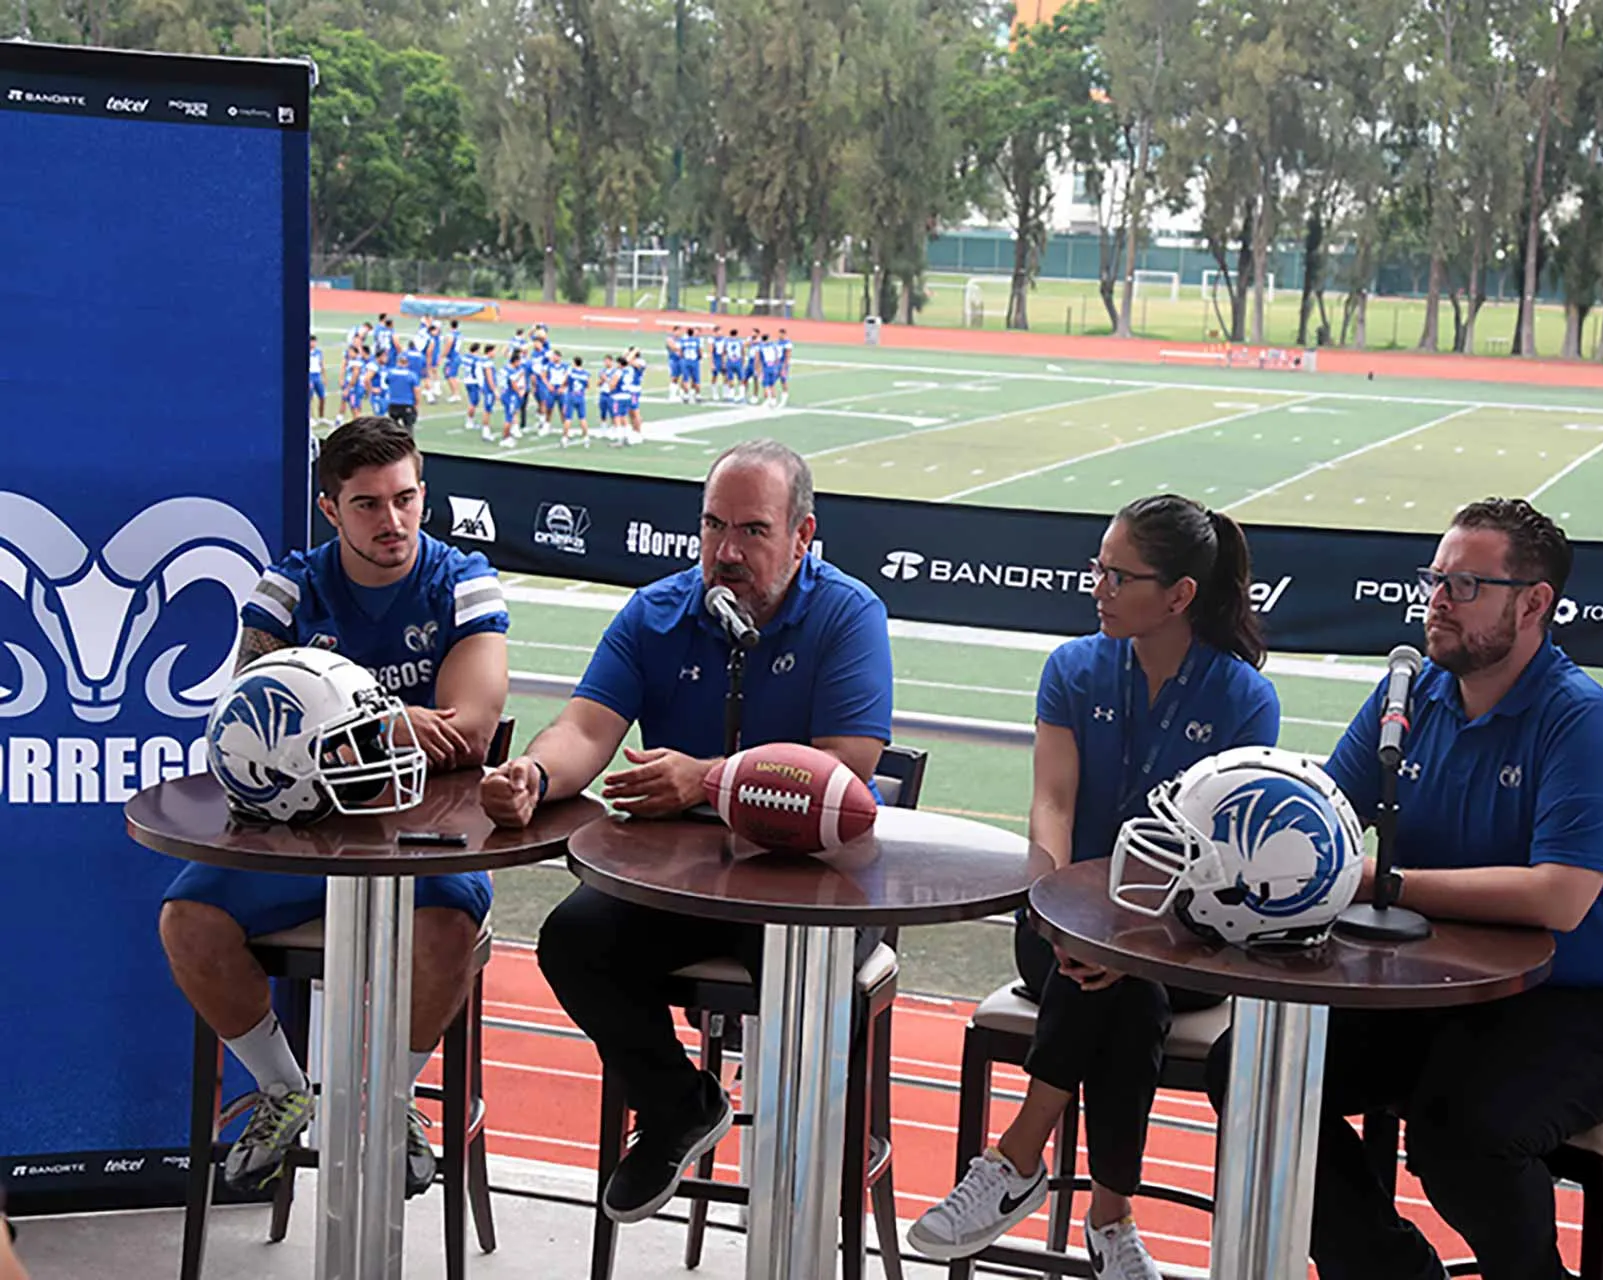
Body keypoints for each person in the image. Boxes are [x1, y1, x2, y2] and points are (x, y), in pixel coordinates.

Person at [1204, 498, 1603, 1280]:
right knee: (1252, 1073)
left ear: (1534, 604)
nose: (1437, 599)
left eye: (1465, 584)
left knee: (1461, 1134)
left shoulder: (1578, 717)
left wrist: (1389, 881)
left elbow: (1561, 897)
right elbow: (1325, 819)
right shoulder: (1407, 696)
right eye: (1435, 579)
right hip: (1441, 993)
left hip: (1582, 1006)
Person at [482, 439, 892, 1225]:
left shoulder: (847, 613)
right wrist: (533, 775)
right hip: (683, 879)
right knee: (573, 941)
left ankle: (806, 1172)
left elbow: (849, 761)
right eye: (712, 528)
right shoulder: (657, 611)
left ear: (804, 536)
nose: (726, 552)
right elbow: (585, 728)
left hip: (812, 885)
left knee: (804, 977)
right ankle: (677, 1104)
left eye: (753, 531)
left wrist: (708, 778)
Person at [908, 494, 1280, 1279]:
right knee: (1116, 990)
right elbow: (1053, 803)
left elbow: (1214, 851)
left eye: (1119, 574)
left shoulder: (1244, 699)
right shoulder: (1073, 668)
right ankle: (1110, 1221)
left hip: (1182, 942)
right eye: (1097, 568)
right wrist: (1055, 907)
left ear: (1179, 595)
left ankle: (1015, 1158)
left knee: (1133, 983)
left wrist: (1136, 937)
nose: (1098, 587)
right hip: (1061, 927)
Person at [157, 417, 511, 1198]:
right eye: (368, 505)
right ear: (329, 509)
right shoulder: (289, 586)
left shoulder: (462, 580)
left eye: (407, 498)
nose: (393, 521)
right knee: (188, 921)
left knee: (451, 925)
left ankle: (389, 1098)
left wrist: (329, 708)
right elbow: (251, 718)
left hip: (423, 841)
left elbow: (470, 731)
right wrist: (393, 716)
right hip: (303, 840)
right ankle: (285, 1090)